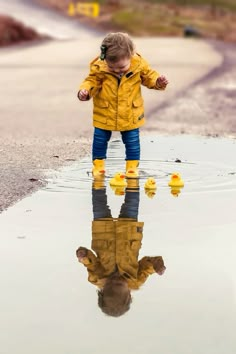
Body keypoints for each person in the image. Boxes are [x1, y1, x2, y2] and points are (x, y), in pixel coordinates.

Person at [77, 32, 168, 178]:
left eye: (121, 67)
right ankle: (98, 167)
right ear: (105, 58)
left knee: (132, 142)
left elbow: (149, 77)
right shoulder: (99, 67)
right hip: (104, 112)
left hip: (130, 113)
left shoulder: (138, 65)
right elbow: (91, 81)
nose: (117, 71)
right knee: (100, 140)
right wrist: (85, 91)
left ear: (131, 54)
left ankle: (131, 168)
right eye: (112, 68)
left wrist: (158, 82)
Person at [76, 180, 166, 317]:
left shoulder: (96, 278)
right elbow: (147, 265)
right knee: (132, 202)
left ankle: (98, 174)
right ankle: (132, 176)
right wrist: (157, 266)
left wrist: (83, 256)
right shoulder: (136, 281)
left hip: (103, 233)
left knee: (99, 202)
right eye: (119, 284)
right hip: (129, 233)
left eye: (110, 284)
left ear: (102, 290)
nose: (115, 279)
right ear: (129, 293)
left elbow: (91, 263)